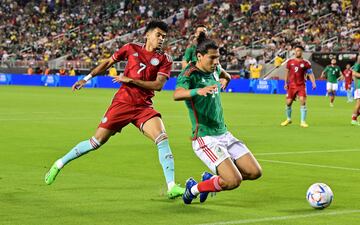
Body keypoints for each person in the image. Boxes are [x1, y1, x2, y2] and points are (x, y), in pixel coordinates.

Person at [44, 20, 185, 199]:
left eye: (164, 37)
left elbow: (158, 85)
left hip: (143, 107)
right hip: (122, 104)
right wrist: (85, 79)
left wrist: (131, 80)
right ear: (147, 34)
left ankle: (171, 186)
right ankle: (59, 163)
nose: (161, 39)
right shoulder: (130, 48)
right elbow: (107, 63)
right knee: (96, 142)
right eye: (158, 35)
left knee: (162, 138)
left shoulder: (165, 59)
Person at [173, 34, 262, 204]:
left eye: (218, 57)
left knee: (254, 172)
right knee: (233, 181)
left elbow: (226, 75)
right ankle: (192, 189)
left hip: (224, 133)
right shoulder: (190, 74)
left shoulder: (215, 69)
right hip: (205, 137)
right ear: (199, 56)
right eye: (212, 57)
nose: (215, 61)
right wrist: (196, 91)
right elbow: (177, 94)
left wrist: (225, 79)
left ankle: (210, 180)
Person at [280, 45, 316, 128]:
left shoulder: (306, 63)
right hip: (291, 85)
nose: (297, 52)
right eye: (296, 51)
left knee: (303, 101)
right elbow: (287, 73)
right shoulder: (290, 62)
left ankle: (303, 121)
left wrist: (313, 83)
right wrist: (285, 83)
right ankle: (288, 119)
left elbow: (310, 73)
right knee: (288, 103)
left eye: (299, 51)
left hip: (301, 85)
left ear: (301, 52)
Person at [351, 56, 360, 126]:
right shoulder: (358, 64)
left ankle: (354, 117)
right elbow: (354, 73)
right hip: (359, 86)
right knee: (359, 103)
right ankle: (353, 119)